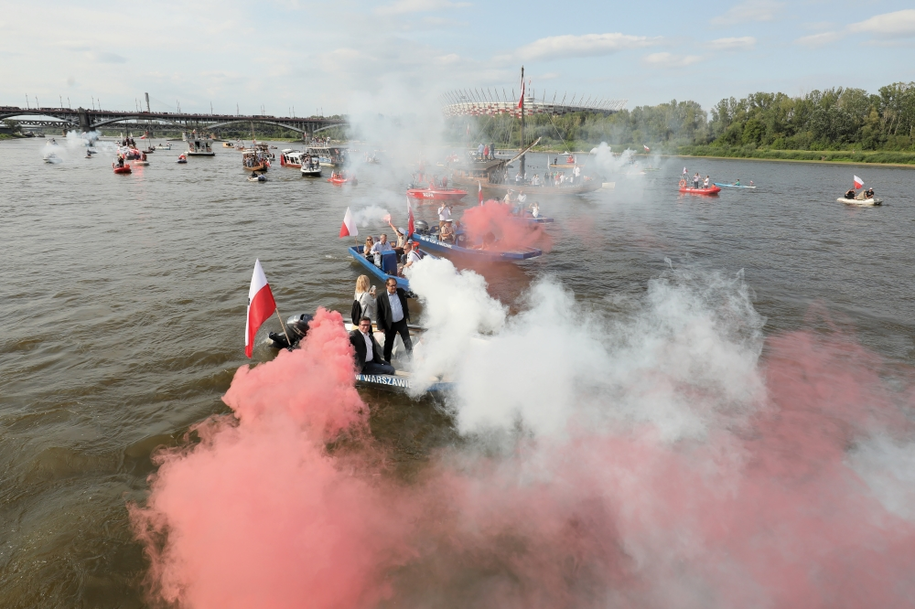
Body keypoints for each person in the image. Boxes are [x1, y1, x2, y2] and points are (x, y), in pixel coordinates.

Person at [375, 278, 413, 363]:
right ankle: (387, 362)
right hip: (390, 325)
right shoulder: (381, 297)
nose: (394, 287)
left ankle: (411, 362)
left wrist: (418, 290)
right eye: (392, 286)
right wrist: (380, 326)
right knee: (388, 344)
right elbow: (378, 313)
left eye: (395, 285)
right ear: (387, 286)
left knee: (407, 342)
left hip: (401, 322)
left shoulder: (401, 291)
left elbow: (410, 295)